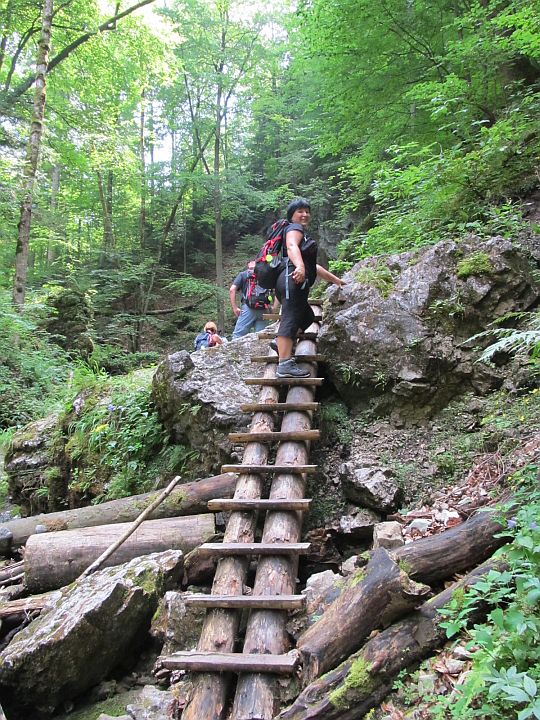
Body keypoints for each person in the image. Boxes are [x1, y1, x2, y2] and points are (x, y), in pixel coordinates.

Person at [274, 198, 345, 378]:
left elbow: (315, 267)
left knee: (306, 317)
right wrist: (299, 266)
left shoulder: (302, 234)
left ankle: (283, 343)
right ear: (292, 215)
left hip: (291, 282)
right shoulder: (294, 229)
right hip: (292, 281)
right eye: (300, 211)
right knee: (290, 318)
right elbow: (291, 246)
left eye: (307, 211)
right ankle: (284, 365)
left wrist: (336, 280)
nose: (305, 214)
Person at [229, 260, 279, 340]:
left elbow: (232, 290)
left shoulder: (243, 274)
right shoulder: (266, 275)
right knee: (262, 337)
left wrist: (235, 308)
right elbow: (277, 290)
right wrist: (274, 307)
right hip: (264, 310)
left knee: (238, 336)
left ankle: (235, 353)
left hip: (248, 309)